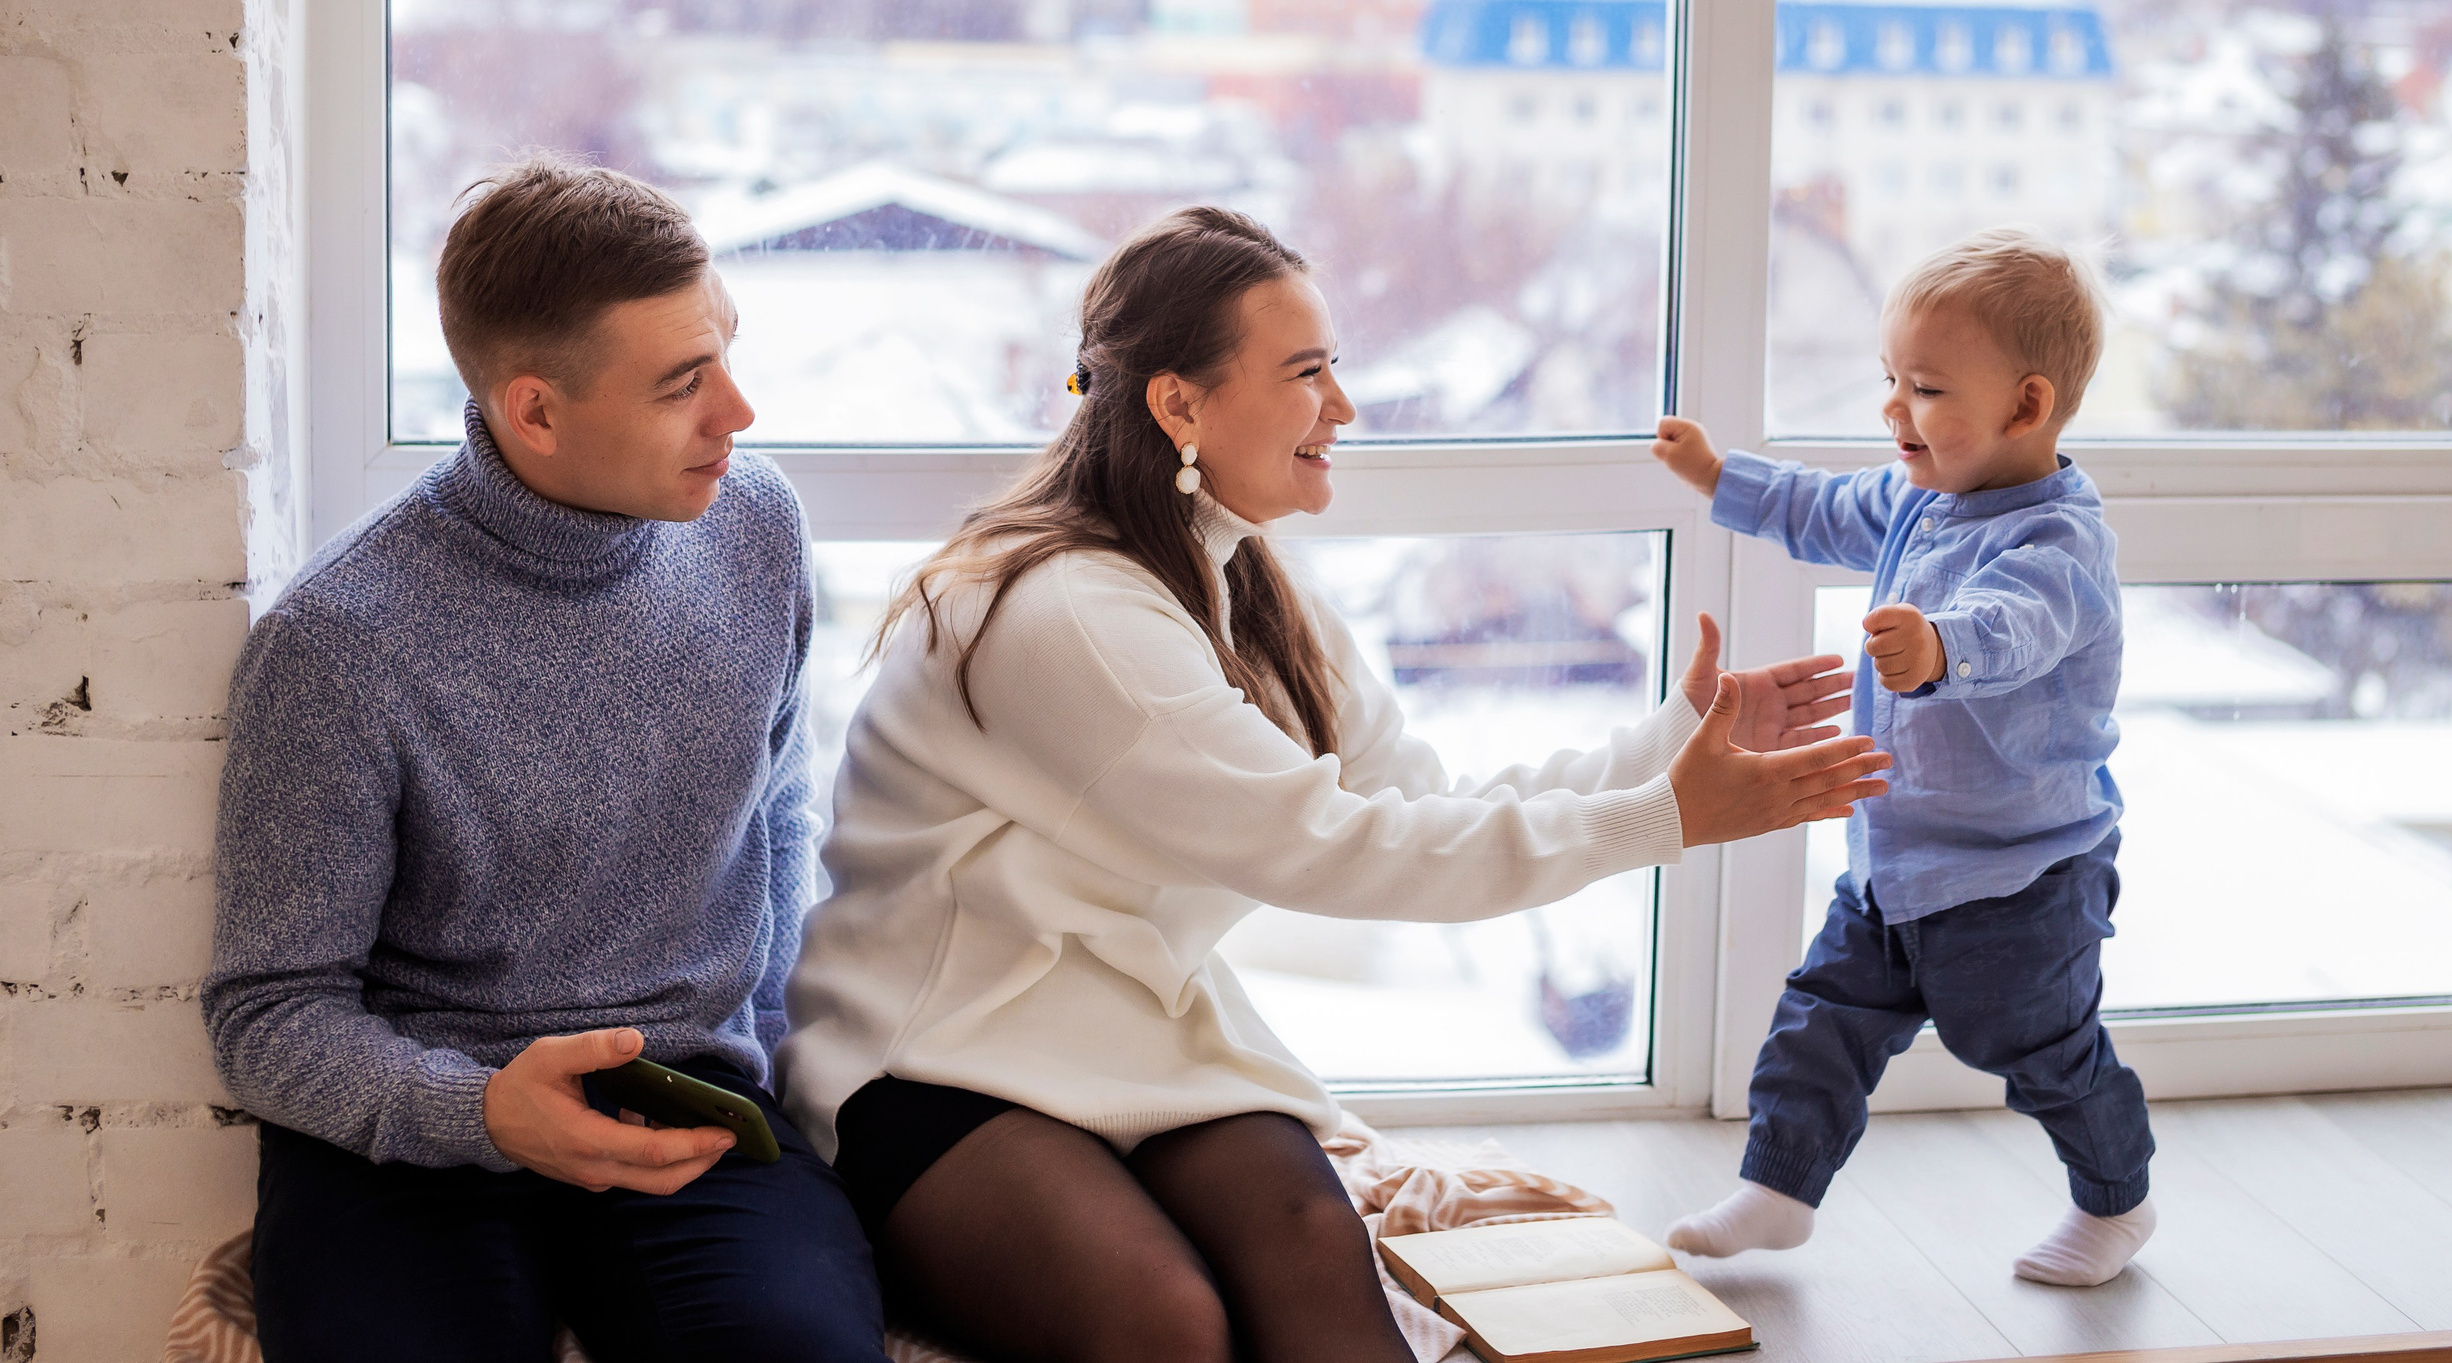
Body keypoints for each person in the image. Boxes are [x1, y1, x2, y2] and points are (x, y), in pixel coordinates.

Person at [778, 206, 1893, 1363]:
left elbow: (1418, 801)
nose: (1343, 409)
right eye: (1306, 373)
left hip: (1130, 1029)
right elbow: (1339, 848)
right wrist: (1667, 817)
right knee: (1159, 1323)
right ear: (1178, 404)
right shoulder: (1068, 614)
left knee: (1317, 1253)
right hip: (936, 1056)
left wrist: (1673, 746)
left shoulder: (1246, 577)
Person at [202, 158, 889, 1363]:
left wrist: (766, 1032)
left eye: (725, 351)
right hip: (410, 1134)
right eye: (684, 383)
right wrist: (477, 1112)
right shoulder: (338, 643)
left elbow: (774, 813)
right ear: (535, 411)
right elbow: (268, 1014)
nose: (738, 410)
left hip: (688, 1099)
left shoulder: (757, 529)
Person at [1652, 227, 2154, 1287]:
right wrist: (1716, 476)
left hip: (2019, 875)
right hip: (1893, 862)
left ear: (2025, 407)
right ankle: (1777, 1192)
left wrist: (1934, 649)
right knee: (1818, 1025)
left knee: (2042, 1058)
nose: (1891, 410)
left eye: (1923, 389)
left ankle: (2117, 1203)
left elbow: (2011, 626)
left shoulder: (2056, 544)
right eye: (1891, 378)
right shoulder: (1920, 495)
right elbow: (1820, 506)